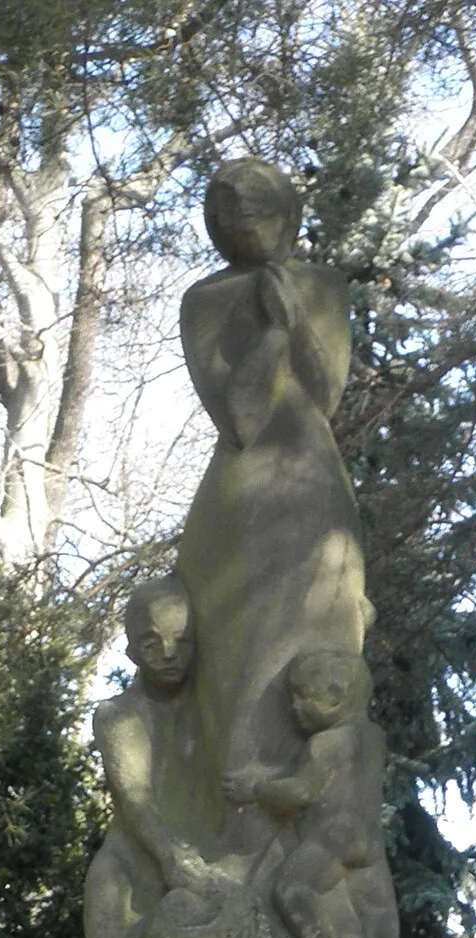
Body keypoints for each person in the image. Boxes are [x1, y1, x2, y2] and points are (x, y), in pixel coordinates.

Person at [174, 161, 371, 834]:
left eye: (258, 211)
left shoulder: (322, 285)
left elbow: (325, 393)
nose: (245, 226)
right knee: (235, 657)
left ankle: (304, 822)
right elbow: (239, 416)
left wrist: (300, 321)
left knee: (320, 638)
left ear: (288, 213)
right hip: (239, 502)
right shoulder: (206, 301)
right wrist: (272, 334)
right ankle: (231, 831)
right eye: (230, 215)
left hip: (313, 492)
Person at [225, 648, 400, 938]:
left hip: (330, 834)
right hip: (367, 838)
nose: (294, 706)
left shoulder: (324, 744)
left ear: (336, 695)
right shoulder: (374, 738)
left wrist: (255, 790)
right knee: (373, 905)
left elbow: (302, 792)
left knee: (291, 888)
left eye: (304, 695)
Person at [81, 577, 214, 938]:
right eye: (152, 642)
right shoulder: (117, 715)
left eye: (182, 640)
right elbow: (133, 795)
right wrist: (170, 858)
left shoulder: (216, 711)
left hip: (209, 854)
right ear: (131, 649)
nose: (169, 653)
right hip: (133, 860)